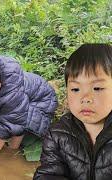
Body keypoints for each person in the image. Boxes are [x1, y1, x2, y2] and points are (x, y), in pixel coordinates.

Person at [33, 43, 112, 180]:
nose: (85, 98)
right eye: (75, 89)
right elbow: (48, 174)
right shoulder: (56, 134)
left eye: (97, 88)